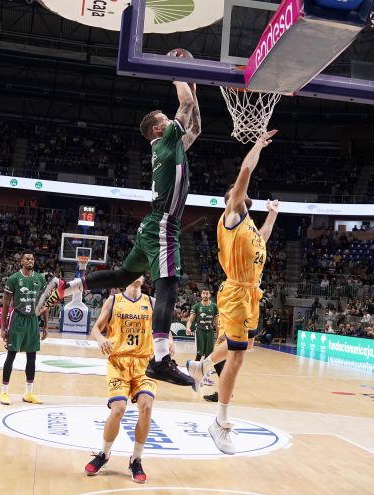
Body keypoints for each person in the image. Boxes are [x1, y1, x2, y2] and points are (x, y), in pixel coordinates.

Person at [37, 76, 201, 388]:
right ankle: (162, 359)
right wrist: (181, 71)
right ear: (157, 130)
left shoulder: (170, 146)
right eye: (166, 120)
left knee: (123, 276)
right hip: (164, 224)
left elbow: (195, 126)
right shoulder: (166, 143)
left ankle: (65, 286)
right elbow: (186, 105)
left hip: (153, 225)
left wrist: (193, 91)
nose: (171, 121)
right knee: (168, 285)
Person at [186, 129, 280, 454]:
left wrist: (272, 214)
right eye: (236, 194)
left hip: (252, 294)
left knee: (243, 352)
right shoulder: (231, 217)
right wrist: (257, 146)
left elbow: (263, 239)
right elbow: (244, 172)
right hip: (236, 293)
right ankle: (220, 422)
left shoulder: (250, 226)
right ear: (232, 201)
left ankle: (202, 366)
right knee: (237, 356)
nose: (239, 194)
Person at [84, 276, 173, 484]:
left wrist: (169, 342)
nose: (136, 275)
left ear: (143, 278)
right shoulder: (113, 301)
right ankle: (104, 454)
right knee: (118, 409)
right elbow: (95, 329)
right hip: (119, 362)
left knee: (147, 407)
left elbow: (164, 331)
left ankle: (136, 459)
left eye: (140, 272)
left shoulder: (151, 302)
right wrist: (101, 339)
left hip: (144, 363)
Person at [0, 251, 48, 406]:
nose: (30, 261)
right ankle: (4, 392)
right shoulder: (13, 279)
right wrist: (3, 327)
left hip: (33, 319)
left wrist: (45, 325)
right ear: (21, 261)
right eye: (27, 258)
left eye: (32, 259)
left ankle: (28, 393)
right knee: (11, 355)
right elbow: (6, 304)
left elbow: (43, 302)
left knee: (32, 357)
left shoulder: (40, 278)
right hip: (18, 319)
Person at [186, 289, 219, 364]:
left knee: (209, 355)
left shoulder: (214, 306)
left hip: (210, 332)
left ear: (209, 295)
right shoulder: (196, 306)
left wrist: (218, 335)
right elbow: (190, 320)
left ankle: (205, 371)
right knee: (199, 353)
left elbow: (217, 323)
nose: (205, 295)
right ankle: (194, 370)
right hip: (200, 332)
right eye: (203, 293)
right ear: (201, 295)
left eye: (207, 293)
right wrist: (188, 328)